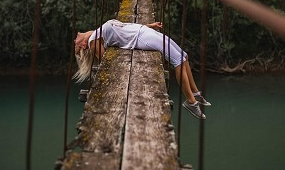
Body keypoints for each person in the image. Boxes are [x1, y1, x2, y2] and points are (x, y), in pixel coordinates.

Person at [74, 19, 211, 120]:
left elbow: (126, 26)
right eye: (76, 44)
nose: (76, 38)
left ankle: (196, 93)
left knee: (184, 56)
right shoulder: (93, 42)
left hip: (143, 30)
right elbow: (107, 63)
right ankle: (191, 102)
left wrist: (150, 25)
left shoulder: (98, 30)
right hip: (140, 38)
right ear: (84, 46)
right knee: (178, 60)